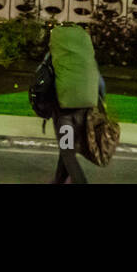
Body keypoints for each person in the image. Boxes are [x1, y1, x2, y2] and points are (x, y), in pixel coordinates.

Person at [35, 24, 106, 184]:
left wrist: (42, 104)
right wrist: (102, 103)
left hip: (64, 113)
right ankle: (59, 180)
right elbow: (100, 84)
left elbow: (42, 80)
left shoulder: (54, 56)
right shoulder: (86, 58)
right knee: (68, 147)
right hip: (85, 110)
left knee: (67, 152)